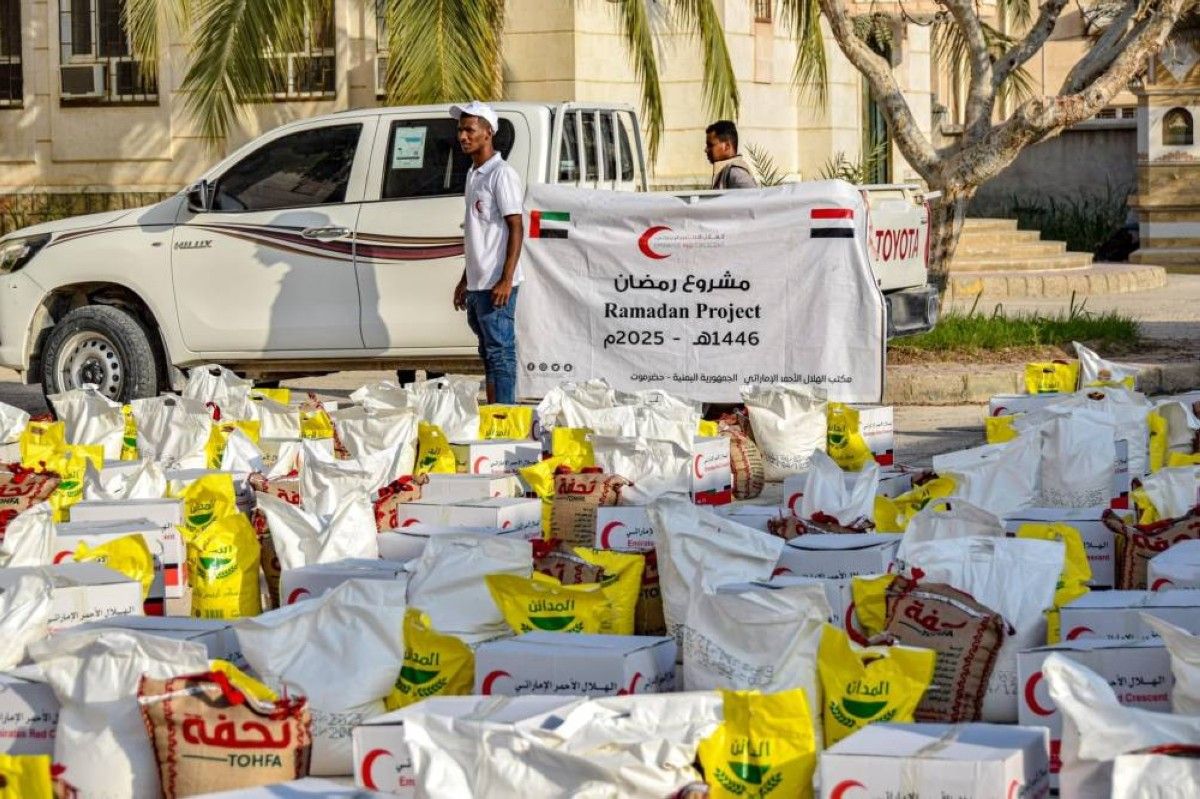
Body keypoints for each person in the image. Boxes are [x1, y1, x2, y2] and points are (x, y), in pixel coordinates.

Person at [450, 101, 525, 405]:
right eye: (460, 130)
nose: (463, 136)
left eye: (470, 129)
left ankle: (504, 416)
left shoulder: (501, 174)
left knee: (500, 352)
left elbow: (516, 227)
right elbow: (477, 234)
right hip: (478, 283)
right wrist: (465, 279)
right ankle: (494, 413)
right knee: (488, 353)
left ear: (488, 132)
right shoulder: (473, 174)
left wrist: (506, 279)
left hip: (496, 283)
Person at [705, 120, 758, 189]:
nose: (706, 150)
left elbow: (753, 195)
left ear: (727, 146)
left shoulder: (736, 172)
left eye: (710, 145)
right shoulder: (727, 171)